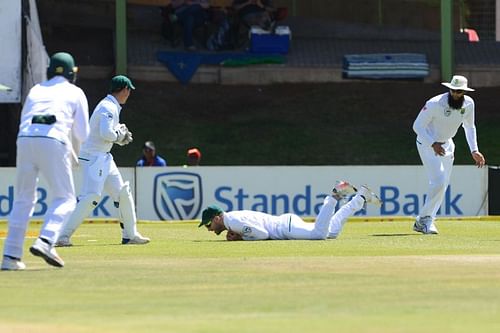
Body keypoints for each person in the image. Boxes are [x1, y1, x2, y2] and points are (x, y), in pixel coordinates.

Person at [1, 52, 90, 270]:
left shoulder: (36, 89)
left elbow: (26, 119)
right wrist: (73, 154)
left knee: (23, 198)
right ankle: (46, 240)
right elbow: (83, 133)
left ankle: (10, 256)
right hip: (54, 139)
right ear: (72, 73)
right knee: (66, 198)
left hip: (24, 139)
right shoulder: (75, 92)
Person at [55, 75, 150, 247]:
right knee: (91, 197)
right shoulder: (108, 106)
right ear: (124, 89)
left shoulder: (111, 105)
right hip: (93, 157)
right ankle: (62, 236)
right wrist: (119, 135)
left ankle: (130, 234)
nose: (129, 94)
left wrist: (117, 136)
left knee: (122, 192)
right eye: (129, 90)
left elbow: (106, 134)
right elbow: (107, 133)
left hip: (103, 156)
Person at [412, 75, 486, 234]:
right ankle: (424, 219)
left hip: (447, 145)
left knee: (443, 184)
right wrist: (433, 143)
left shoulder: (469, 104)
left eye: (459, 91)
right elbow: (417, 126)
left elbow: (469, 127)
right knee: (438, 181)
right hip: (427, 144)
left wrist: (474, 150)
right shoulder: (434, 103)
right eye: (453, 90)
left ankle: (427, 220)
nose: (455, 94)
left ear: (464, 91)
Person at [199, 181, 381, 241]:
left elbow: (261, 234)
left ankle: (334, 195)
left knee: (319, 234)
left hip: (284, 228)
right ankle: (360, 199)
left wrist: (241, 237)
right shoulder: (233, 217)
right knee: (331, 232)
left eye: (208, 224)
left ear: (216, 218)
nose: (208, 229)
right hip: (285, 223)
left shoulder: (234, 222)